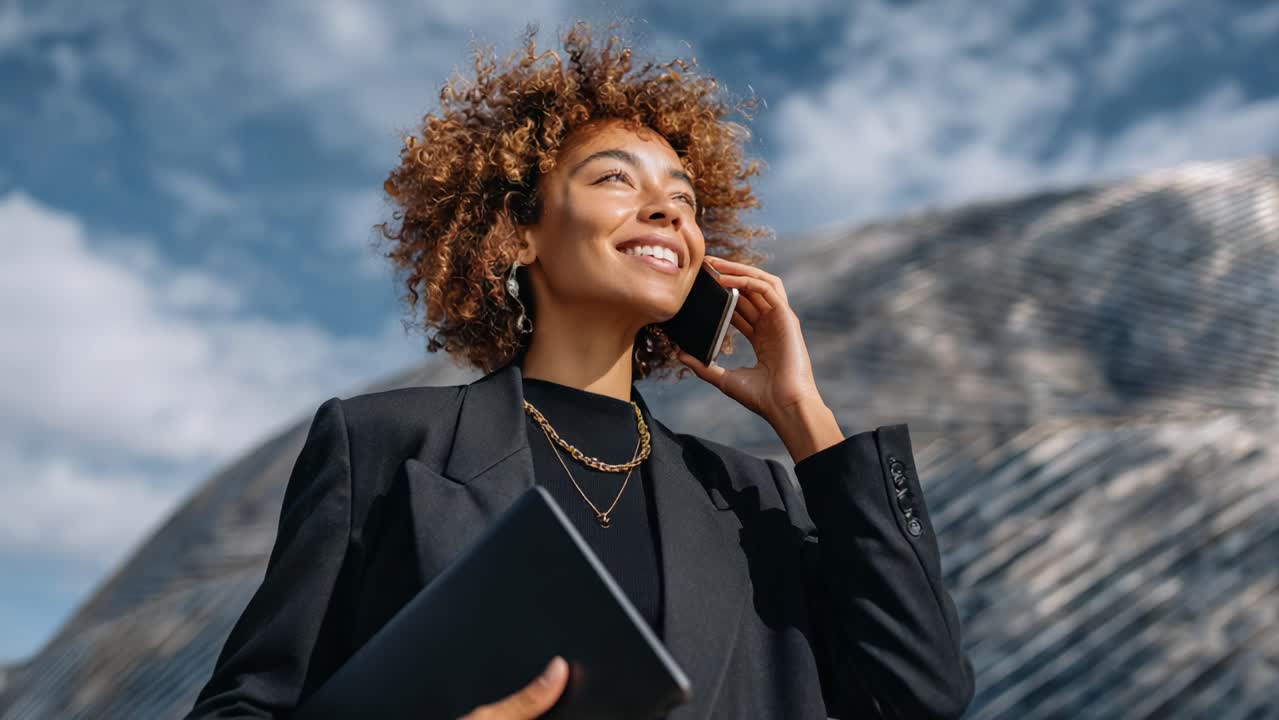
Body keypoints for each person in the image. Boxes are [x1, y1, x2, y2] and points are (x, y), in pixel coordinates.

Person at [187, 21, 974, 720]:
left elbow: (920, 695)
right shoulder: (383, 447)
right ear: (518, 234)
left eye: (686, 199)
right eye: (614, 178)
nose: (669, 212)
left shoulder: (753, 496)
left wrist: (805, 418)